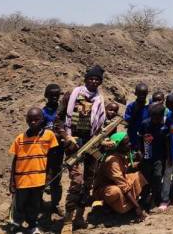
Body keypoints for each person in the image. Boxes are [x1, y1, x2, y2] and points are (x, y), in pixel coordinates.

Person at [56, 64, 108, 233]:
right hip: (74, 143)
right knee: (76, 181)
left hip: (92, 144)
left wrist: (103, 140)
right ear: (86, 79)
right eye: (91, 78)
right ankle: (68, 220)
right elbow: (59, 119)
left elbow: (100, 125)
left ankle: (80, 216)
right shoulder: (72, 94)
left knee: (88, 181)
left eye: (97, 79)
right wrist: (66, 136)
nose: (93, 81)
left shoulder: (99, 100)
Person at [9, 107, 59, 234]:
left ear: (42, 120)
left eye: (36, 119)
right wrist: (12, 181)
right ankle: (17, 225)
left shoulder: (49, 136)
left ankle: (32, 225)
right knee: (19, 204)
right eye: (30, 120)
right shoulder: (20, 139)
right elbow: (15, 161)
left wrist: (49, 175)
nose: (33, 122)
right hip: (22, 179)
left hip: (38, 178)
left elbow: (52, 158)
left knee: (35, 204)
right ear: (26, 120)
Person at [92, 133, 148, 220]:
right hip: (105, 189)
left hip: (117, 184)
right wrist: (137, 207)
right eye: (126, 143)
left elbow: (128, 170)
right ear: (118, 146)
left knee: (138, 176)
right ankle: (110, 207)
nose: (129, 145)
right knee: (115, 191)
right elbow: (122, 184)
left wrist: (141, 161)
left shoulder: (120, 155)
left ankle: (129, 205)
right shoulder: (112, 160)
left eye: (129, 142)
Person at [138, 103, 167, 212]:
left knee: (157, 177)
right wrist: (139, 151)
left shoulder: (164, 126)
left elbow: (166, 142)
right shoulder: (145, 124)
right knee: (146, 178)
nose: (156, 120)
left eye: (159, 117)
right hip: (146, 155)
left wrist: (167, 156)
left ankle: (156, 199)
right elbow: (139, 139)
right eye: (154, 117)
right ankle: (144, 199)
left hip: (159, 157)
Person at [42, 83, 65, 216]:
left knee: (57, 178)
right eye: (51, 95)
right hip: (45, 152)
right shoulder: (43, 113)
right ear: (46, 96)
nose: (54, 97)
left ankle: (55, 204)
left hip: (59, 151)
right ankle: (38, 202)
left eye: (57, 95)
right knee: (43, 177)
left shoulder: (63, 111)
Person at [124, 83, 150, 150]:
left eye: (144, 94)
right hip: (133, 132)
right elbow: (127, 118)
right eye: (140, 94)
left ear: (147, 93)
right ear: (135, 93)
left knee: (146, 150)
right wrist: (135, 112)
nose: (142, 96)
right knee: (133, 149)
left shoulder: (149, 107)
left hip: (146, 133)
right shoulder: (131, 106)